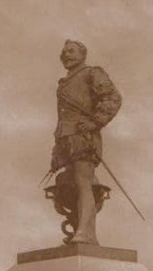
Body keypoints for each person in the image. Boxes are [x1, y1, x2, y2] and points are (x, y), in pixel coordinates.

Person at [51, 40, 121, 244]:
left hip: (83, 136)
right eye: (63, 52)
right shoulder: (64, 82)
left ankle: (85, 232)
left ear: (83, 54)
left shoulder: (92, 73)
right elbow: (62, 118)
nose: (66, 55)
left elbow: (113, 98)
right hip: (66, 138)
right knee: (69, 182)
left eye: (71, 51)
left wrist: (95, 121)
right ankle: (85, 231)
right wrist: (56, 152)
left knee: (83, 181)